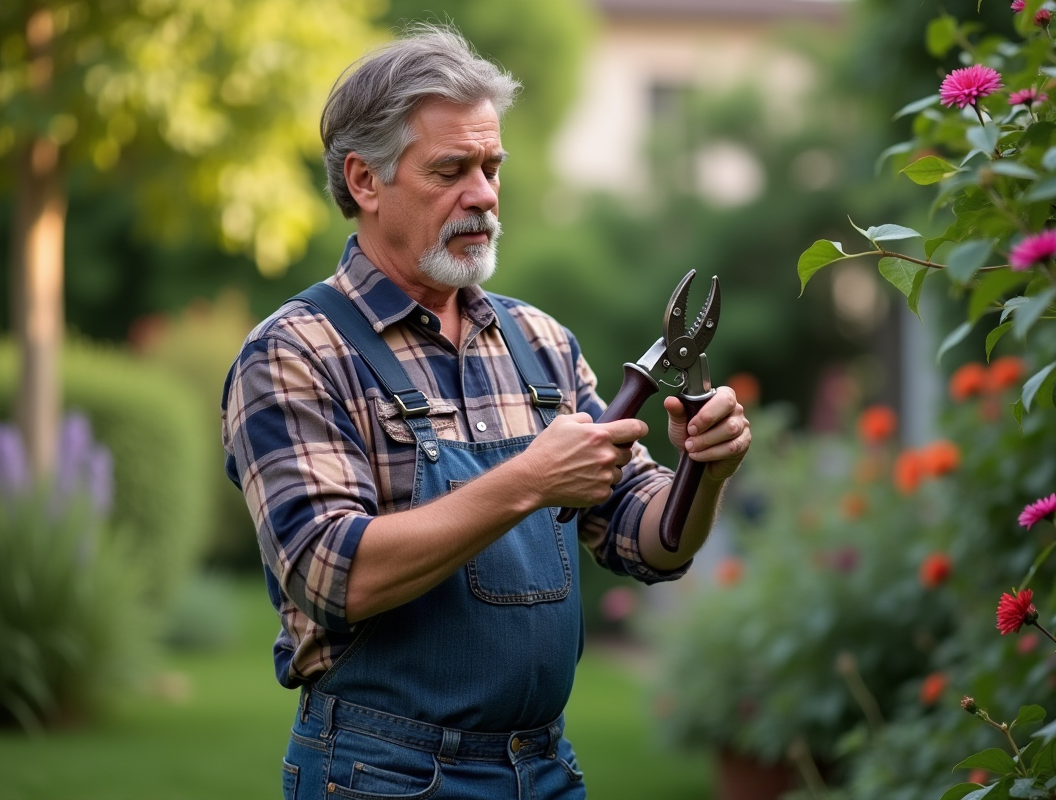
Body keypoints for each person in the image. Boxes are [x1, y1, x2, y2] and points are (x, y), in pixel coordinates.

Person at [221, 24, 750, 800]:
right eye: (452, 170)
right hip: (381, 772)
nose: (484, 195)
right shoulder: (297, 352)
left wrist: (705, 469)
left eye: (492, 166)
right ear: (366, 181)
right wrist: (527, 480)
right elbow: (331, 574)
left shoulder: (538, 340)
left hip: (543, 767)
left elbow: (650, 545)